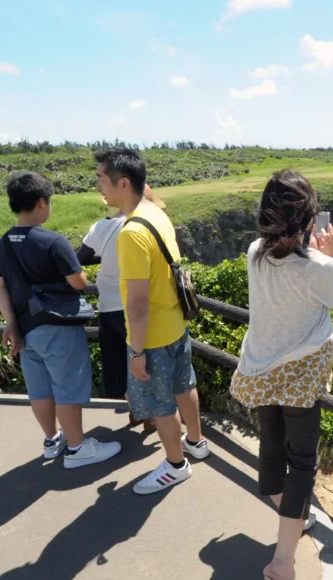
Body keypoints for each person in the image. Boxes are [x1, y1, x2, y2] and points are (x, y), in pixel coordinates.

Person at [229, 170, 333, 580]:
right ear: (309, 219)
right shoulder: (318, 267)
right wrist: (330, 255)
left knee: (273, 449)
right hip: (300, 375)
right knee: (302, 463)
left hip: (261, 368)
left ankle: (290, 516)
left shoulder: (253, 252)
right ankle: (281, 568)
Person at [95, 148, 210, 495]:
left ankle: (175, 465)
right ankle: (196, 442)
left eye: (102, 179)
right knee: (184, 384)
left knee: (162, 404)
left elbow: (138, 302)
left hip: (153, 336)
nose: (99, 186)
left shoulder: (130, 233)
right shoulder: (155, 213)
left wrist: (137, 351)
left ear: (124, 182)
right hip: (176, 322)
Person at [0, 171, 122, 468]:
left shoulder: (2, 244)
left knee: (39, 388)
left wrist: (11, 323)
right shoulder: (52, 241)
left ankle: (52, 440)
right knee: (67, 385)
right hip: (58, 325)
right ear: (40, 203)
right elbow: (78, 282)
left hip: (25, 328)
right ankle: (77, 449)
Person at [76, 184, 165, 433]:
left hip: (107, 307)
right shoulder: (146, 224)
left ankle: (136, 411)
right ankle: (150, 417)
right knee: (143, 362)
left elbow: (78, 259)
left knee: (118, 364)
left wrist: (105, 257)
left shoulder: (101, 226)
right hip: (134, 306)